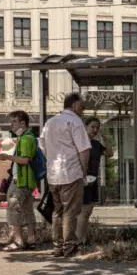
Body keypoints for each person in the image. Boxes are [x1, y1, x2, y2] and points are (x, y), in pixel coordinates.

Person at [40, 94, 91, 257]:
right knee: (70, 210)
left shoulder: (50, 122)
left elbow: (43, 147)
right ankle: (70, 246)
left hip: (53, 174)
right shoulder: (75, 121)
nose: (82, 111)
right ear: (75, 105)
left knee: (57, 210)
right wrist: (83, 172)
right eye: (82, 107)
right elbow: (84, 150)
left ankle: (58, 246)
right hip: (71, 172)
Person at [0, 110, 38, 250]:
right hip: (27, 181)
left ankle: (18, 240)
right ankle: (32, 238)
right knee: (27, 210)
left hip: (21, 181)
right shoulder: (28, 137)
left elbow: (25, 160)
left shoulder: (26, 139)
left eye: (14, 122)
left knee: (14, 206)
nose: (11, 125)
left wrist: (6, 157)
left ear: (23, 123)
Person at [76, 116, 113, 247]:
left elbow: (110, 153)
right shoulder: (80, 142)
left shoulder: (96, 144)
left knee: (88, 209)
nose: (95, 130)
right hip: (82, 179)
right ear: (85, 126)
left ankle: (82, 238)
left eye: (97, 127)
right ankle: (79, 241)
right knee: (83, 211)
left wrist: (105, 138)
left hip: (93, 179)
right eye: (92, 127)